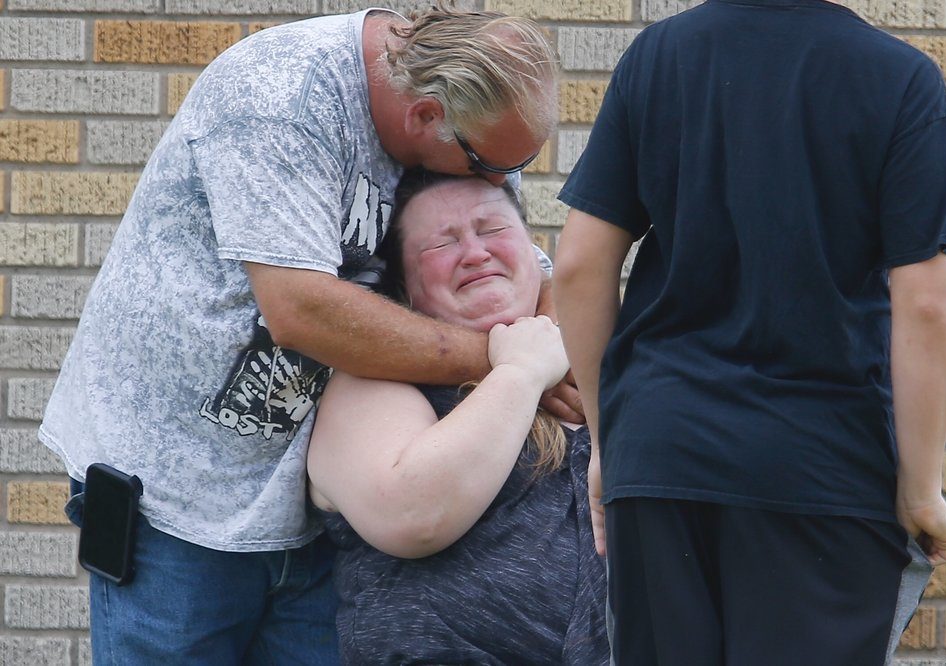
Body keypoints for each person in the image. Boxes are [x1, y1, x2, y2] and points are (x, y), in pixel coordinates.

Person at [39, 7, 567, 663]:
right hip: (176, 502)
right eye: (489, 163)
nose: (498, 184)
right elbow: (301, 311)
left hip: (314, 506)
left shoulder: (466, 129)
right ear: (425, 116)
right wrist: (507, 363)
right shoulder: (280, 92)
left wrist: (557, 334)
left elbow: (507, 251)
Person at [552, 0, 946, 664]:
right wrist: (921, 488)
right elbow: (928, 307)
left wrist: (608, 443)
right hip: (820, 469)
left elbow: (576, 266)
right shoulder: (900, 78)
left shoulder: (656, 58)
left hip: (663, 456)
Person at [307, 169, 610, 664]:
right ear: (404, 289)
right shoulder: (373, 385)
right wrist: (520, 372)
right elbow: (410, 513)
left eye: (493, 231)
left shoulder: (600, 365)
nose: (475, 252)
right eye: (439, 246)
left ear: (537, 257)